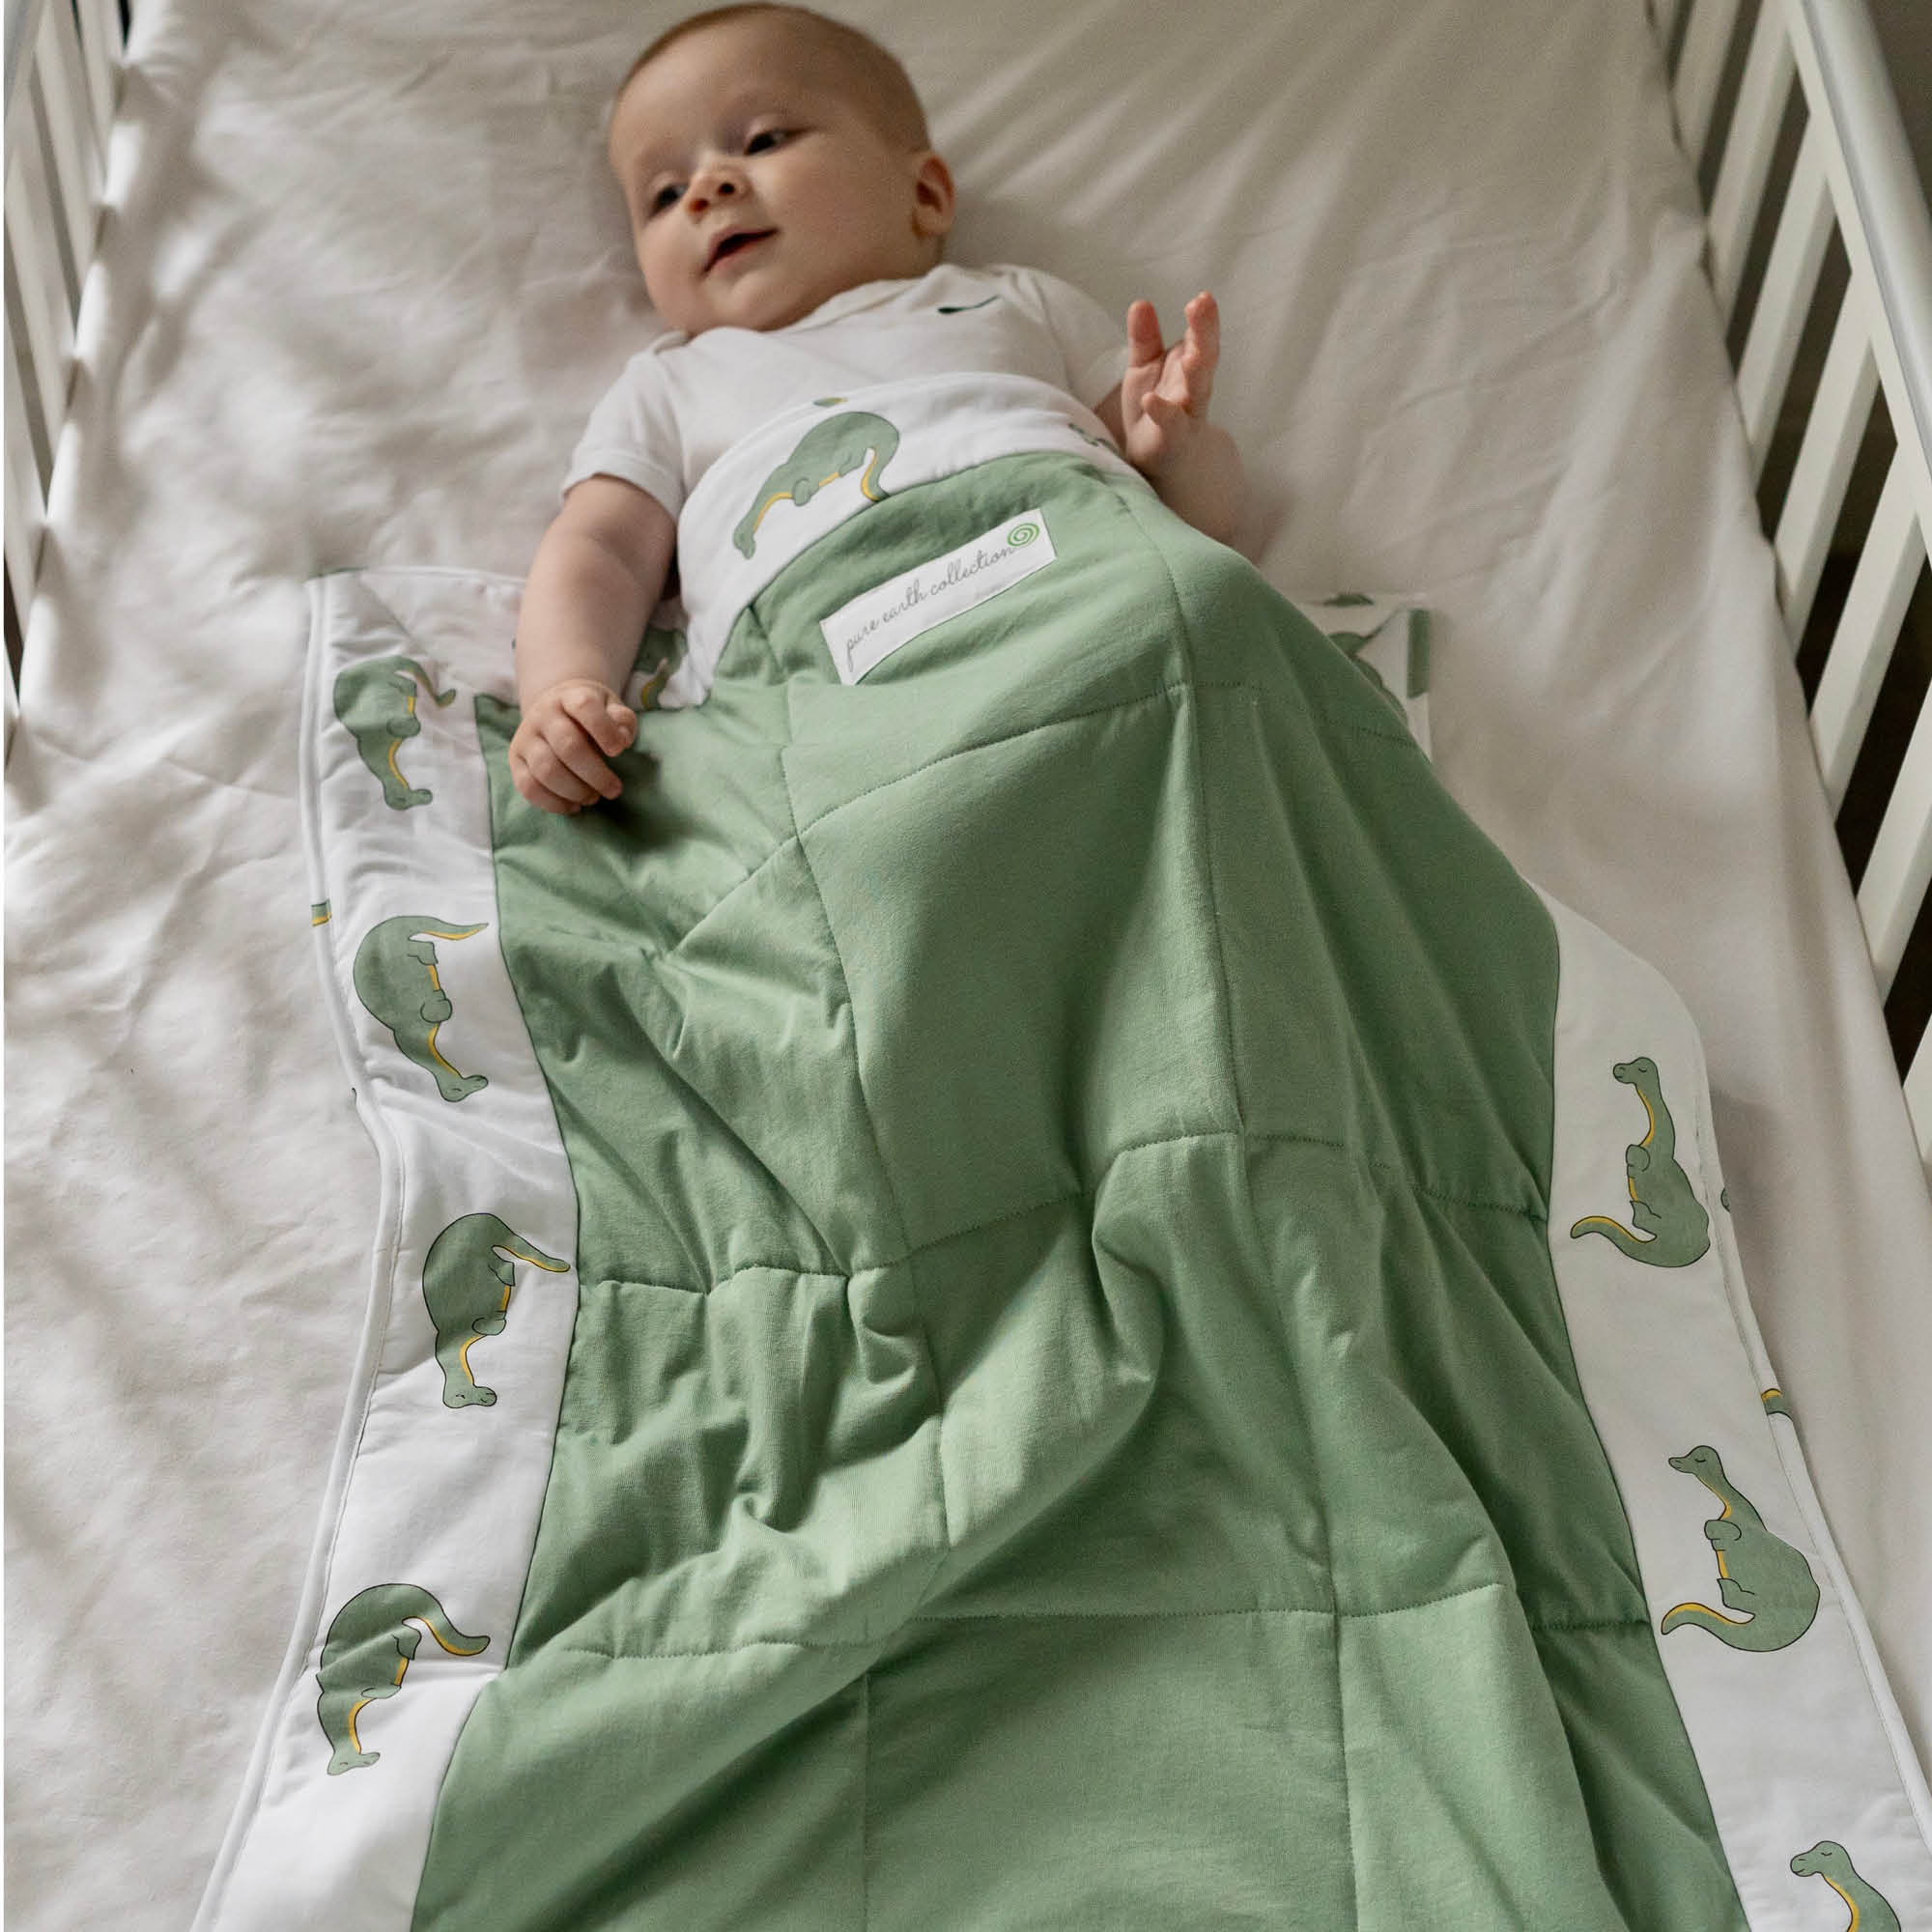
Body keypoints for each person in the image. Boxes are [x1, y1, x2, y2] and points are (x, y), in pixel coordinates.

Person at [510, 1, 1244, 813]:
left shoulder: (1014, 302)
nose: (707, 190)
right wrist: (564, 684)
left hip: (1068, 575)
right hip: (820, 644)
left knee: (1207, 600)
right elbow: (600, 549)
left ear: (924, 193)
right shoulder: (669, 382)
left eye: (763, 141)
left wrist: (1175, 452)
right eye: (664, 193)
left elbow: (1204, 525)